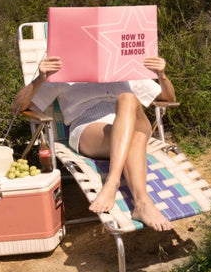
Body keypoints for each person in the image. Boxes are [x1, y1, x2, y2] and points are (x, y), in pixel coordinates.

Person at [10, 55, 176, 231]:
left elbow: (169, 98)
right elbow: (16, 107)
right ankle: (142, 203)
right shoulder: (63, 70)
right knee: (133, 136)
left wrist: (161, 75)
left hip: (134, 125)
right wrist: (41, 78)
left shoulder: (122, 64)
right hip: (89, 129)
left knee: (127, 98)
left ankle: (113, 182)